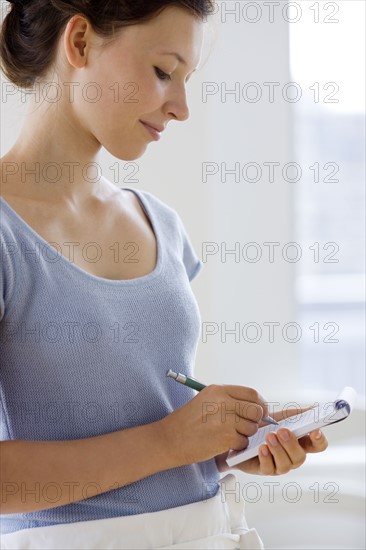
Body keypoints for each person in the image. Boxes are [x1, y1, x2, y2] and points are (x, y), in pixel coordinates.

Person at [0, 1, 328, 548]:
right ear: (79, 44)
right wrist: (173, 442)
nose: (181, 108)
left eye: (186, 79)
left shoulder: (161, 225)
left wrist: (229, 442)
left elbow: (152, 421)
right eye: (162, 71)